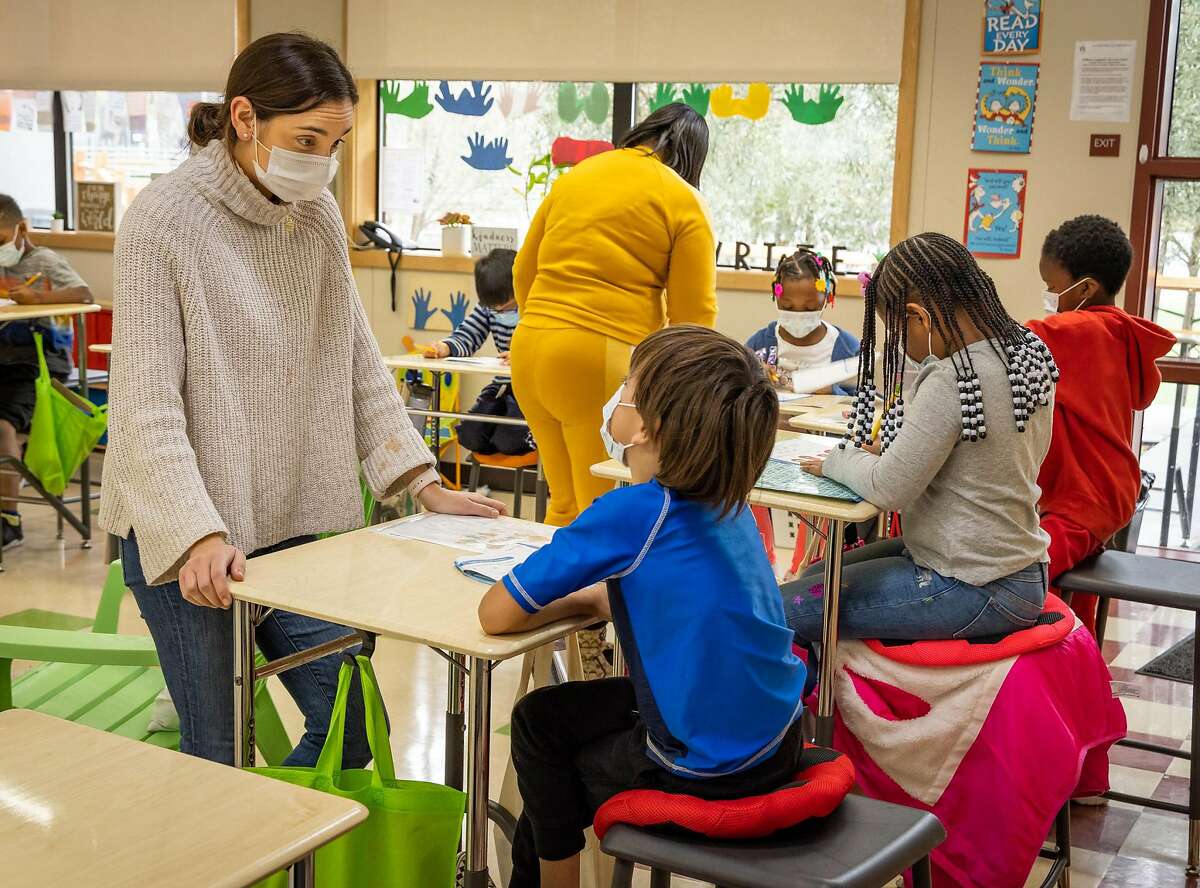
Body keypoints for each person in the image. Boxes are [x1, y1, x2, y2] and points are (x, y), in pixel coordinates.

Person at [99, 33, 503, 766]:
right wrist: (196, 532)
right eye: (307, 138)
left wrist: (421, 482)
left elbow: (355, 362)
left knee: (351, 726)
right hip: (181, 529)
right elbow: (144, 407)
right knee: (219, 749)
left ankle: (288, 860)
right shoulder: (162, 220)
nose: (321, 160)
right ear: (245, 119)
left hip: (283, 521)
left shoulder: (313, 217)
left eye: (336, 141)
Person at [478, 325, 806, 888]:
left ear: (649, 424)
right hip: (777, 738)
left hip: (707, 769)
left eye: (628, 386)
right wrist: (596, 599)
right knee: (552, 724)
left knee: (540, 741)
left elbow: (495, 613)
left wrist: (565, 601)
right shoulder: (728, 503)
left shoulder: (633, 513)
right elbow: (656, 595)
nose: (617, 397)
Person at [784, 232, 1057, 644]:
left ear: (919, 317)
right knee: (817, 575)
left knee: (783, 609)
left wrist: (835, 461)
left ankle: (808, 704)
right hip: (1020, 570)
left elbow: (888, 488)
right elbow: (979, 448)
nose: (904, 348)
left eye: (897, 332)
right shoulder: (1028, 352)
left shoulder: (953, 378)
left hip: (972, 583)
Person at [511, 102, 717, 528]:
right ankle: (592, 595)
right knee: (598, 512)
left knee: (563, 502)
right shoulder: (682, 198)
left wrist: (546, 321)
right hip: (596, 356)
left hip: (529, 347)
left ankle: (542, 593)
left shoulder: (578, 176)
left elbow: (522, 270)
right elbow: (692, 319)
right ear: (693, 156)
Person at [1029, 215, 1175, 633]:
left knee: (1021, 575)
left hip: (1081, 498)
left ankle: (1064, 676)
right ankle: (1084, 662)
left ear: (1086, 287)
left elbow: (1004, 346)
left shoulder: (1074, 329)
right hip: (1108, 492)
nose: (1051, 298)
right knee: (1077, 596)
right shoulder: (1119, 333)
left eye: (1054, 288)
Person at [0, 194, 93, 549]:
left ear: (20, 229)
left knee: (3, 423)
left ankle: (9, 518)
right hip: (3, 360)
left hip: (38, 366)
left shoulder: (44, 260)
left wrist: (37, 299)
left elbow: (84, 293)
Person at [420, 248, 533, 456]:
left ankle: (525, 436)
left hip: (531, 389)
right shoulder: (488, 307)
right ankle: (501, 435)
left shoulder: (535, 304)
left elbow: (546, 344)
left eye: (509, 308)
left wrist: (523, 355)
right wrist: (443, 347)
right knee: (469, 435)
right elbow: (468, 335)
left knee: (509, 441)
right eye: (495, 309)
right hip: (503, 386)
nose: (500, 313)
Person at [746, 247, 860, 397]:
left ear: (826, 299)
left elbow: (866, 405)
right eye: (787, 307)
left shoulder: (848, 350)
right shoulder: (760, 345)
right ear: (776, 298)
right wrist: (754, 379)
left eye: (810, 308)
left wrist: (832, 391)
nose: (799, 315)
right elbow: (731, 388)